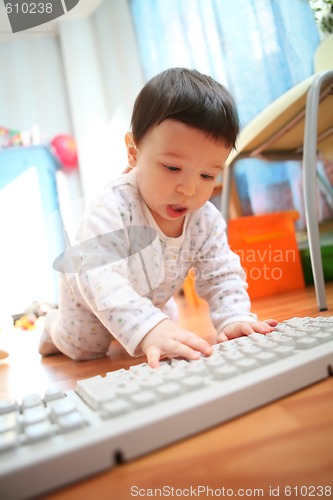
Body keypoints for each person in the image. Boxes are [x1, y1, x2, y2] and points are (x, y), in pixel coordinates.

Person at [39, 68, 277, 368]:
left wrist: (234, 316)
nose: (189, 189)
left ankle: (149, 321)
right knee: (85, 348)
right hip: (88, 302)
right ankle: (51, 325)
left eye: (207, 175)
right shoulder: (111, 208)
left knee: (165, 328)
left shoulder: (204, 219)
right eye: (172, 168)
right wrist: (150, 327)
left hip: (151, 298)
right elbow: (102, 279)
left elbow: (221, 273)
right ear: (133, 152)